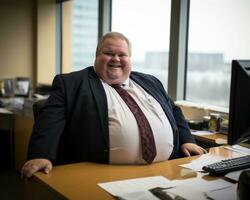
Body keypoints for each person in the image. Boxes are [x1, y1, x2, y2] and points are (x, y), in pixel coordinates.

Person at [21, 32, 206, 178]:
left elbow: (173, 110)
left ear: (129, 58)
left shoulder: (151, 81)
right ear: (96, 56)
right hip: (103, 173)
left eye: (122, 54)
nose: (116, 59)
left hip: (165, 170)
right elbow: (50, 119)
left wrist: (187, 139)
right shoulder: (71, 83)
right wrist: (41, 154)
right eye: (108, 53)